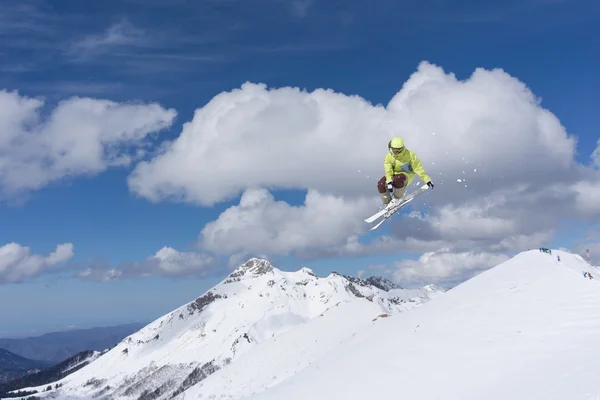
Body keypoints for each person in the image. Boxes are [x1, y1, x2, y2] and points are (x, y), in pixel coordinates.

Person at [377, 136, 434, 206]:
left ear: (402, 148)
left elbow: (418, 168)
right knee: (381, 184)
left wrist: (427, 180)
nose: (396, 152)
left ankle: (397, 198)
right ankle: (388, 203)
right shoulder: (389, 156)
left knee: (397, 179)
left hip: (406, 175)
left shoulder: (410, 155)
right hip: (393, 174)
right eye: (394, 150)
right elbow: (388, 170)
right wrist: (389, 181)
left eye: (398, 150)